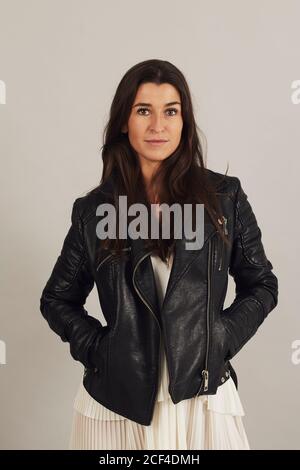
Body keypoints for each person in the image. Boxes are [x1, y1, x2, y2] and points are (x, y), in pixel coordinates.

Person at [40, 59, 278, 450]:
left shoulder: (224, 198)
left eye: (171, 111)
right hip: (116, 403)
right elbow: (57, 299)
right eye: (143, 111)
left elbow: (262, 285)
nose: (157, 126)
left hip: (204, 400)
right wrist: (102, 352)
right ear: (123, 121)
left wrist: (220, 338)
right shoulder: (96, 211)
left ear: (184, 121)